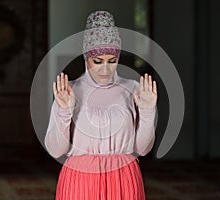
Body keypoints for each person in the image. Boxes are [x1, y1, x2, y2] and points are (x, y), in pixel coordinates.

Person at [44, 10, 157, 200]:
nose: (105, 69)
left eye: (112, 61)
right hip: (80, 181)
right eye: (98, 61)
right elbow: (56, 150)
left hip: (124, 179)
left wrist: (147, 112)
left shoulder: (133, 89)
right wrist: (64, 111)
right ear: (86, 57)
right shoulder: (69, 91)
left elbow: (143, 149)